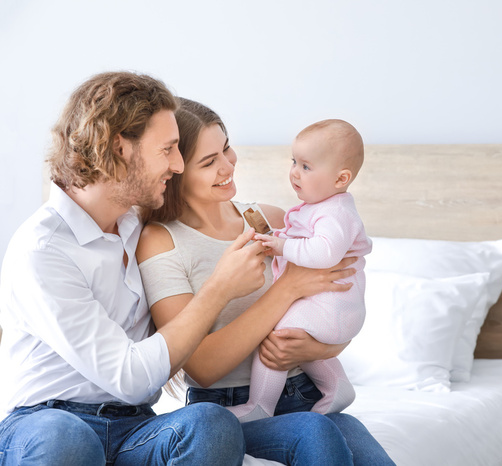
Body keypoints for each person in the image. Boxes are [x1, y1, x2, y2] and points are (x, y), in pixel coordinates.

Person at [0, 71, 269, 465]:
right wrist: (219, 289)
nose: (178, 166)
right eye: (168, 150)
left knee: (211, 424)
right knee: (68, 439)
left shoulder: (139, 224)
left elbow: (212, 211)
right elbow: (129, 378)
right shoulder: (43, 249)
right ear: (120, 147)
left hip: (136, 428)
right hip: (46, 421)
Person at [136, 98, 395, 465]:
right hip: (232, 406)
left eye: (226, 148)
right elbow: (203, 368)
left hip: (308, 391)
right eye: (209, 162)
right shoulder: (161, 241)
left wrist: (318, 350)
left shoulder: (270, 219)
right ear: (175, 169)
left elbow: (338, 303)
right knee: (314, 433)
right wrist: (287, 289)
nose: (227, 166)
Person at [230, 119, 371, 422]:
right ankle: (336, 386)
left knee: (280, 334)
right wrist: (278, 238)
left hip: (335, 307)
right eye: (294, 161)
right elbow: (306, 241)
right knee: (291, 334)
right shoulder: (320, 207)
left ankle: (260, 405)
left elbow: (323, 252)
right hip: (331, 307)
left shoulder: (336, 213)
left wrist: (282, 247)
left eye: (306, 166)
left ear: (340, 178)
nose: (294, 171)